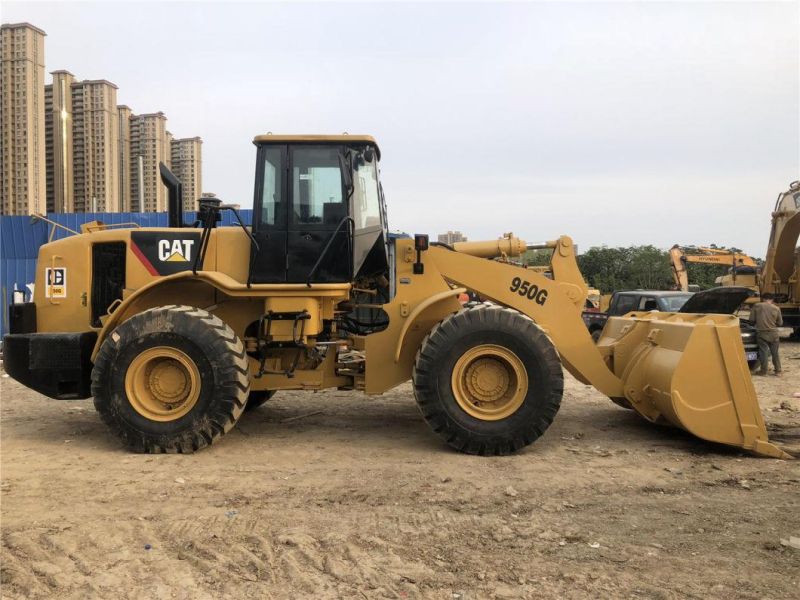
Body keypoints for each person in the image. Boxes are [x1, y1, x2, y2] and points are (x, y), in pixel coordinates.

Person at [750, 293, 783, 376]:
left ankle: (763, 371)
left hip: (762, 333)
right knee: (775, 353)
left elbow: (751, 320)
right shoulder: (776, 308)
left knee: (763, 352)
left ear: (763, 299)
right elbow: (780, 323)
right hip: (774, 334)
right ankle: (778, 371)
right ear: (772, 300)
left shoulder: (757, 306)